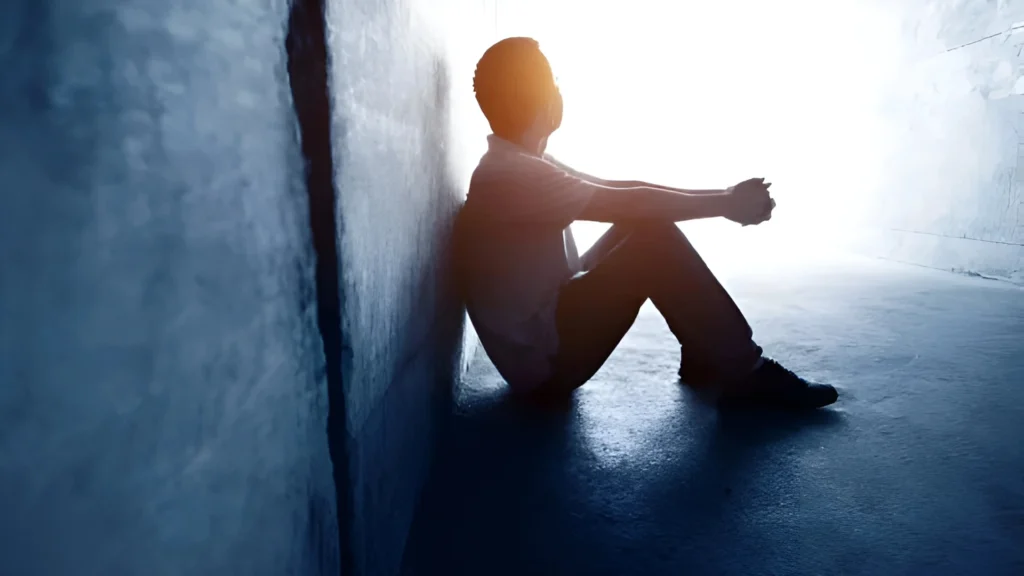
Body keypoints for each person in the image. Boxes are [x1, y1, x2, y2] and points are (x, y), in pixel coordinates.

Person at [454, 37, 838, 411]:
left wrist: (726, 196)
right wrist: (727, 204)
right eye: (552, 81)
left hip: (549, 330)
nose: (558, 90)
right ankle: (746, 371)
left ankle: (706, 353)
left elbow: (624, 190)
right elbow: (634, 201)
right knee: (652, 243)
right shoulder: (511, 174)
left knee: (641, 226)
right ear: (536, 97)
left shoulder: (522, 162)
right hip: (547, 364)